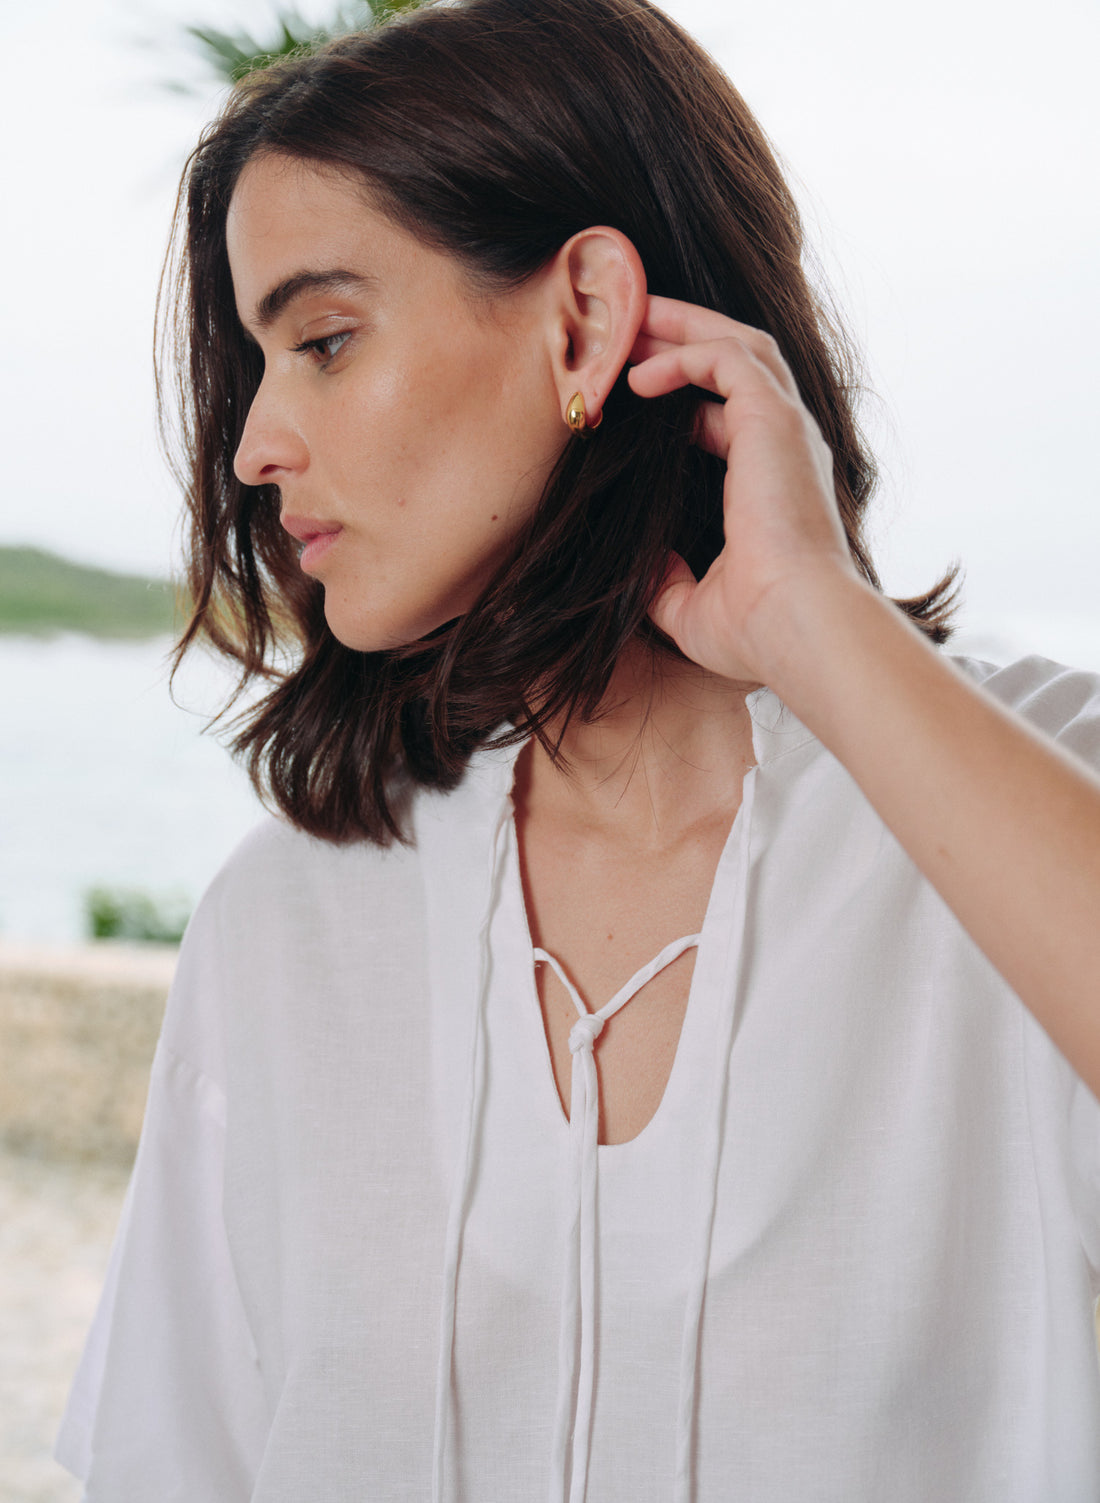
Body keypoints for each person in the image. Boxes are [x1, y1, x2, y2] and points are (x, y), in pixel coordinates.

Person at [57, 0, 1100, 1498]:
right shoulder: (289, 924)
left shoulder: (1036, 793)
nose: (253, 447)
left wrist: (811, 621)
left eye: (326, 341)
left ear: (584, 321)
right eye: (260, 361)